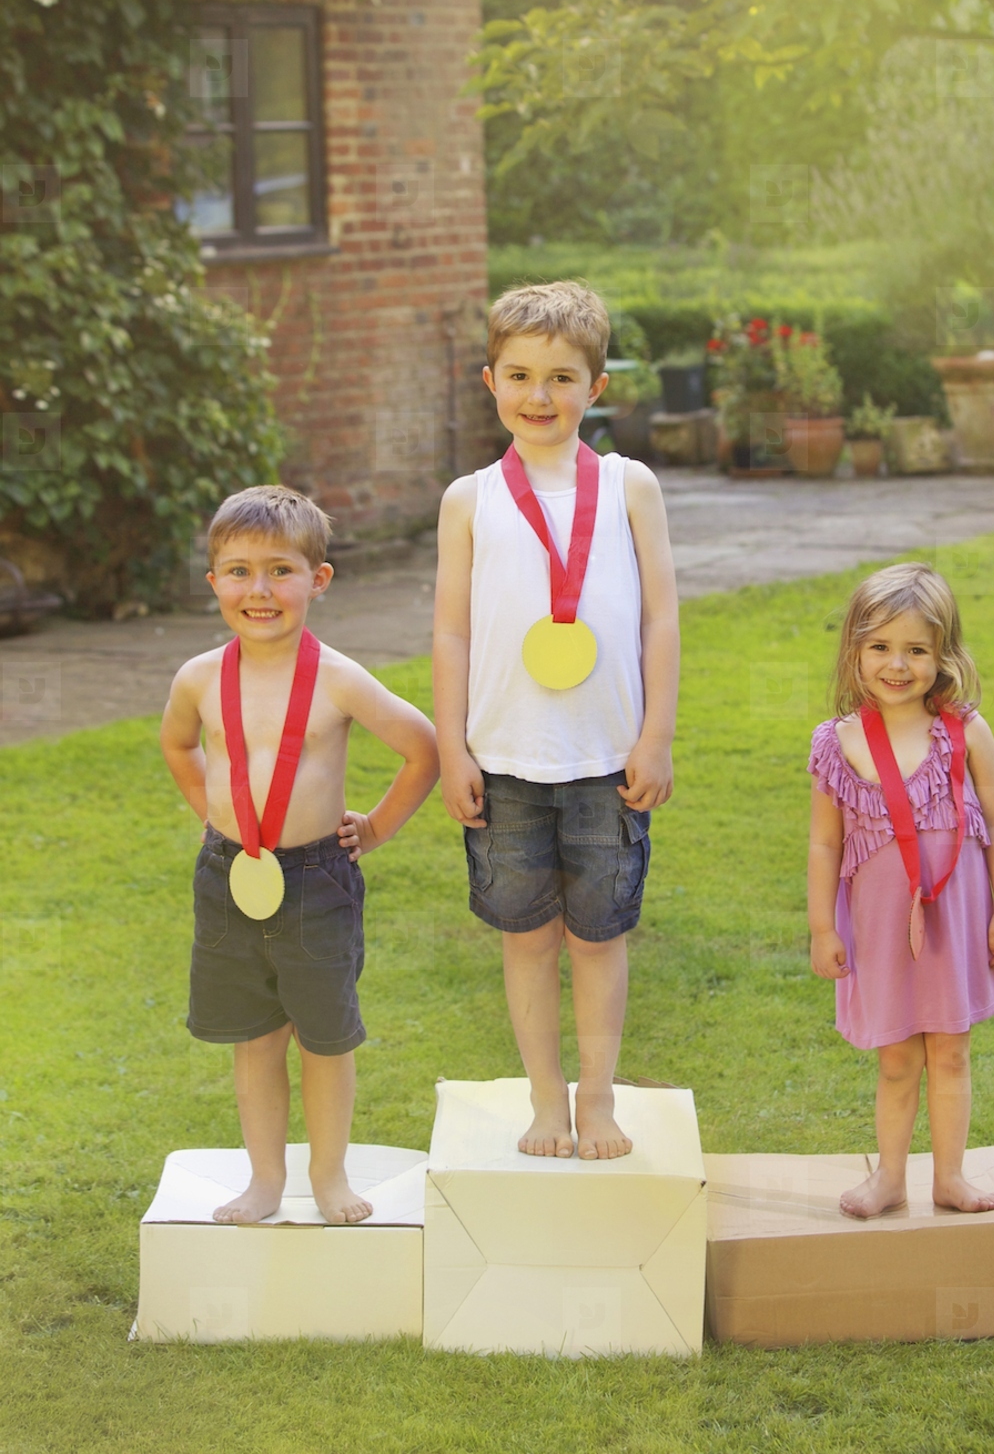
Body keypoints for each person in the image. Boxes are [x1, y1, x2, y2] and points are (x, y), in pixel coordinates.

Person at [434, 281, 679, 1160]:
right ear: (490, 379)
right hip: (504, 762)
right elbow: (453, 629)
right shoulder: (468, 499)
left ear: (597, 387)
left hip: (608, 758)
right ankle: (546, 1101)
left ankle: (600, 1098)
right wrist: (451, 745)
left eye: (563, 378)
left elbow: (660, 616)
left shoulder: (629, 485)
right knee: (528, 938)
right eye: (522, 376)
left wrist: (656, 735)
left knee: (598, 936)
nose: (541, 396)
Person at [161, 485, 438, 1225]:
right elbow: (178, 744)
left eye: (280, 570)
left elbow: (423, 749)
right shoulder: (197, 677)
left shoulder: (339, 678)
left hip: (316, 880)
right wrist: (212, 814)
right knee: (253, 1039)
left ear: (318, 579)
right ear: (213, 579)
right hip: (228, 879)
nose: (260, 589)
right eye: (239, 570)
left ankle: (328, 1175)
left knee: (323, 1037)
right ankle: (263, 1178)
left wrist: (373, 829)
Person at [807, 561, 994, 1218]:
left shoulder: (966, 731)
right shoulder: (837, 743)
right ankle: (891, 1177)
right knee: (897, 1058)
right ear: (855, 650)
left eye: (916, 649)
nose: (896, 664)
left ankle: (950, 1176)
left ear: (943, 655)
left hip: (955, 922)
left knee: (952, 1054)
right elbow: (824, 843)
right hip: (878, 929)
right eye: (880, 647)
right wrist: (822, 926)